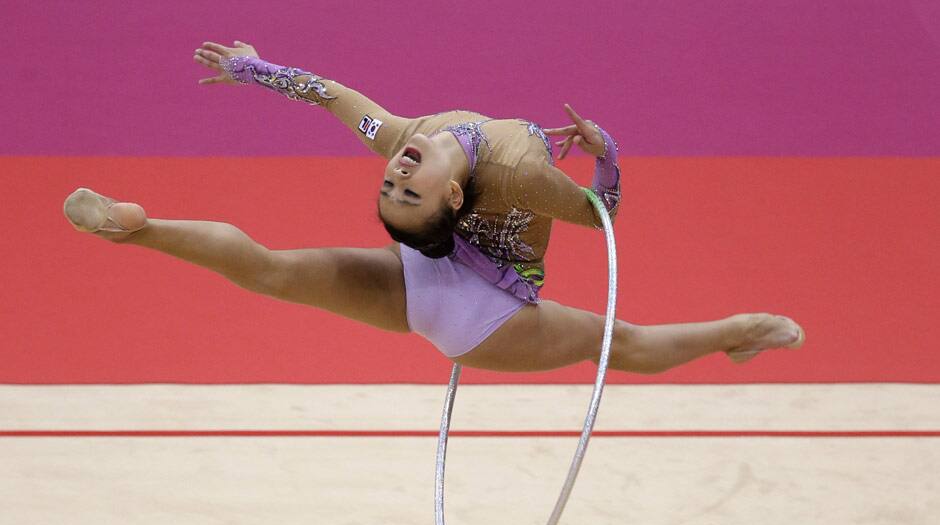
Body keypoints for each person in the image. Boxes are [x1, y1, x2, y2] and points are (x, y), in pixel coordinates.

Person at [62, 40, 804, 374]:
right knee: (624, 344)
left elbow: (328, 95)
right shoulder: (511, 173)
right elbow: (602, 212)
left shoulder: (434, 148)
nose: (395, 168)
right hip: (485, 320)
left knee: (267, 270)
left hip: (424, 285)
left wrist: (253, 69)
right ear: (449, 199)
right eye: (400, 184)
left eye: (395, 183)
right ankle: (739, 331)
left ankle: (142, 231)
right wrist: (607, 153)